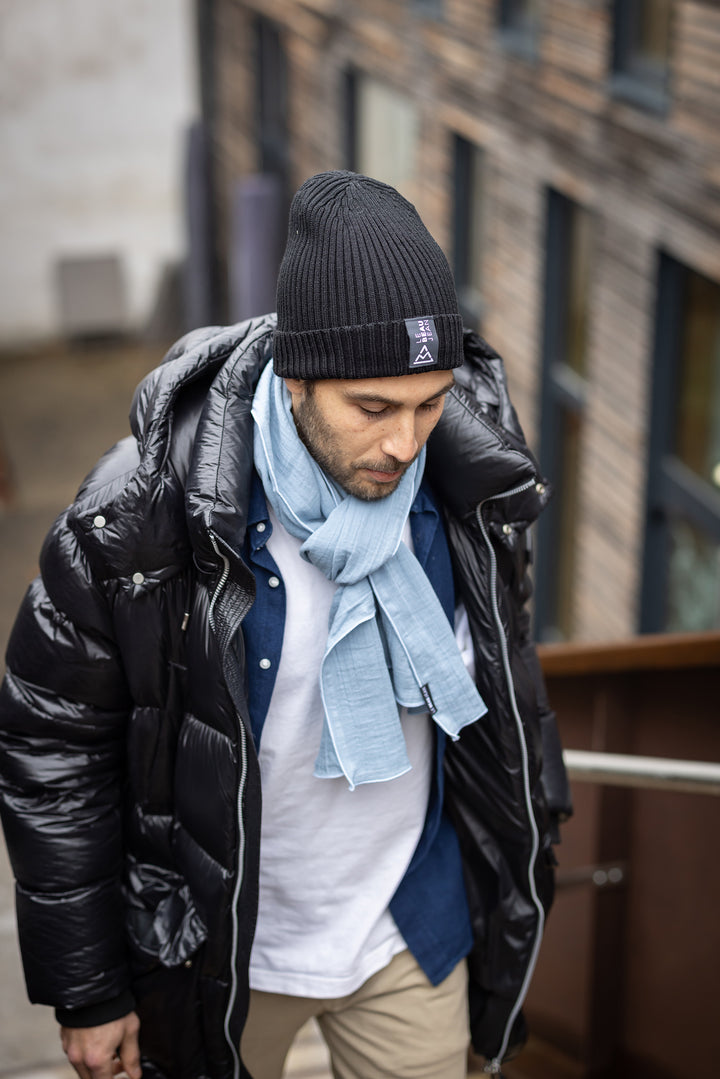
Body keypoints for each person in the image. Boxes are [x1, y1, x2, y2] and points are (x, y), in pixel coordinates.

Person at [0, 171, 571, 1079]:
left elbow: (505, 703)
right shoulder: (141, 514)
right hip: (219, 948)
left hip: (406, 927)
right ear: (295, 377)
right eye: (373, 408)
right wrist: (90, 986)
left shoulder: (470, 491)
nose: (403, 443)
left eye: (428, 404)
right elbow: (53, 745)